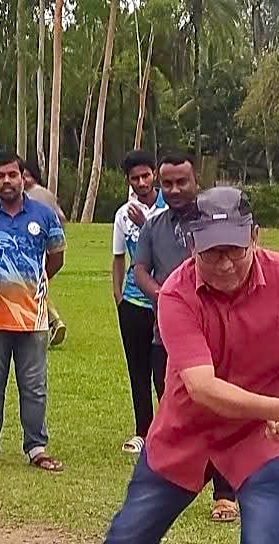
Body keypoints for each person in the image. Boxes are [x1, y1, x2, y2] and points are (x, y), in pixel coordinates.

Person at [42, 187, 279, 544]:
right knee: (132, 531)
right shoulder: (175, 292)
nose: (227, 264)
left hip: (257, 438)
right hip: (186, 430)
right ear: (191, 243)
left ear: (255, 235)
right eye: (213, 253)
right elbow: (202, 386)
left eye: (235, 249)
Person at [134, 151, 239, 523]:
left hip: (220, 337)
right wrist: (164, 297)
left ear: (196, 182)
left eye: (182, 181)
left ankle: (225, 493)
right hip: (171, 339)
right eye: (168, 183)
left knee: (224, 411)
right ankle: (179, 485)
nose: (175, 189)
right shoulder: (153, 226)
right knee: (181, 413)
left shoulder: (216, 224)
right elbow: (140, 269)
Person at [0, 151, 66, 473]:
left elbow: (56, 258)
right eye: (0, 175)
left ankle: (36, 447)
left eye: (12, 174)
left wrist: (29, 286)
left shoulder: (43, 216)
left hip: (33, 318)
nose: (6, 181)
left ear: (24, 178)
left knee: (34, 386)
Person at [111, 150, 167, 454]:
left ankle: (169, 430)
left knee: (165, 371)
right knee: (138, 370)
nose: (142, 182)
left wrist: (146, 223)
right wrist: (118, 295)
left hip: (165, 302)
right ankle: (142, 431)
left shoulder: (171, 210)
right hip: (133, 303)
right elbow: (119, 257)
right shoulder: (123, 214)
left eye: (146, 176)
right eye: (135, 178)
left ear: (154, 174)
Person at [22, 159, 67, 347]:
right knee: (34, 287)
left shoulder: (27, 197)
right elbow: (62, 218)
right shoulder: (47, 193)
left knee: (29, 287)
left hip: (32, 249)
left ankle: (53, 321)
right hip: (51, 249)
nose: (22, 180)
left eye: (24, 175)